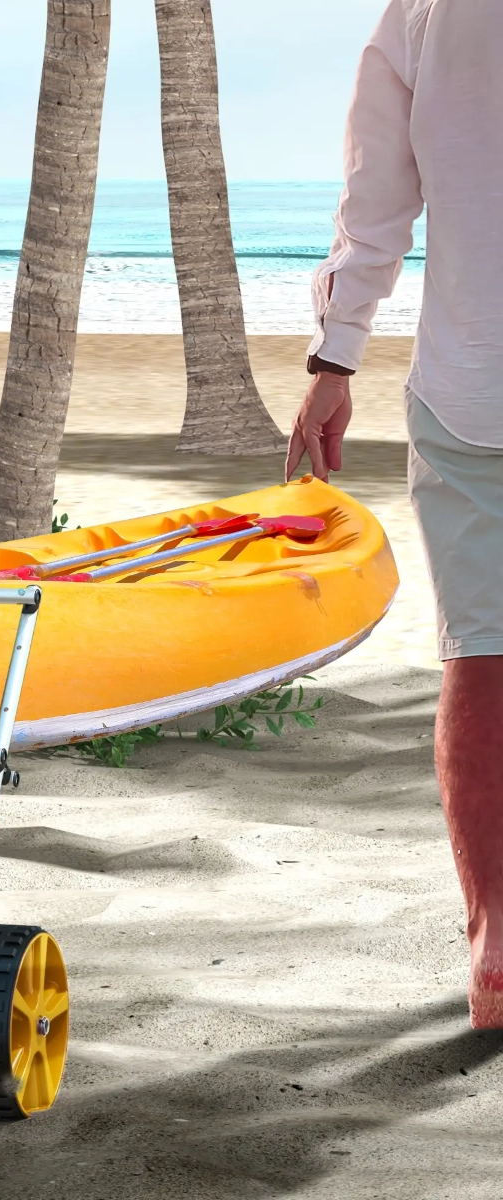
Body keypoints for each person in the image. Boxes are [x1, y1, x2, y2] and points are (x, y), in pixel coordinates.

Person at [286, 0, 503, 1027]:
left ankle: (498, 944)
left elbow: (374, 205)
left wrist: (334, 362)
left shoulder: (421, 10)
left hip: (471, 389)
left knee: (482, 655)